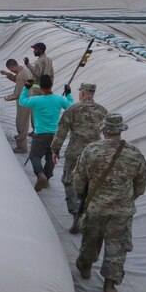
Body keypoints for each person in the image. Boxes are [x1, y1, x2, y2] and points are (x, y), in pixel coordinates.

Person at [73, 113, 146, 292]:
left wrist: (83, 197)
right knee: (117, 247)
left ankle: (86, 266)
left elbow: (79, 179)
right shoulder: (134, 153)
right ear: (120, 131)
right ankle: (109, 284)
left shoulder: (91, 150)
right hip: (122, 211)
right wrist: (126, 199)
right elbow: (140, 185)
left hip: (96, 207)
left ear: (104, 130)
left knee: (91, 239)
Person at [51, 82, 108, 234]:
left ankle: (76, 211)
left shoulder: (73, 109)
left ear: (82, 93)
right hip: (95, 154)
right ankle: (87, 213)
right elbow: (108, 134)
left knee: (68, 179)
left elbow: (61, 131)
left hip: (76, 153)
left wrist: (55, 149)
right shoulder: (103, 111)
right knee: (91, 183)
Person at [18, 73, 73, 191]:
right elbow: (70, 107)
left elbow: (22, 101)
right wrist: (68, 94)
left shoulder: (36, 100)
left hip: (40, 134)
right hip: (55, 134)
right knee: (51, 158)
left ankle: (40, 174)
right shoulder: (59, 99)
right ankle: (47, 179)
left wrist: (26, 88)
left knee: (34, 156)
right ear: (52, 85)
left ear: (40, 86)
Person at [0, 58, 34, 153]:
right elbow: (17, 79)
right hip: (29, 99)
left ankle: (22, 147)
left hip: (24, 101)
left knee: (21, 123)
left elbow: (17, 93)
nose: (11, 71)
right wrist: (7, 74)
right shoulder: (24, 70)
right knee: (24, 122)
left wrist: (8, 98)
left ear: (13, 66)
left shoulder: (21, 75)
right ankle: (21, 138)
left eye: (10, 69)